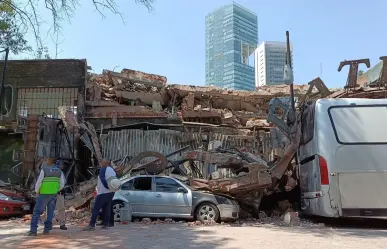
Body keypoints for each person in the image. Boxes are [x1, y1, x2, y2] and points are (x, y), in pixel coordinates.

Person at [26, 158, 66, 236]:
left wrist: (37, 191)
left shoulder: (44, 170)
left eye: (47, 160)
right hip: (53, 194)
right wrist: (55, 189)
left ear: (50, 162)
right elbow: (62, 184)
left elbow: (39, 182)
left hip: (44, 194)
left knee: (37, 212)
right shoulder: (59, 172)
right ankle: (46, 230)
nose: (46, 161)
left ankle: (33, 231)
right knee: (50, 212)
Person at [82, 159, 119, 231]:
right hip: (111, 192)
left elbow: (103, 180)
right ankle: (106, 225)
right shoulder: (112, 171)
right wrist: (111, 188)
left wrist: (107, 187)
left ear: (105, 163)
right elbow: (115, 181)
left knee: (95, 209)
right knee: (107, 208)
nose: (100, 163)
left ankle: (91, 225)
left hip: (103, 192)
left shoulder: (103, 170)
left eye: (102, 162)